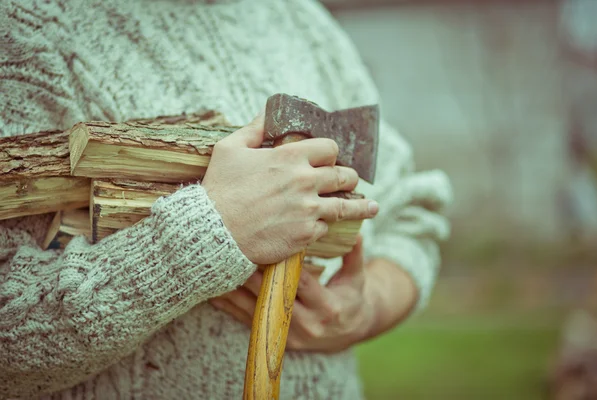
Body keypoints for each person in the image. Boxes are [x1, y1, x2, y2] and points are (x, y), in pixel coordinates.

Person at [0, 0, 452, 398]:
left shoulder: (301, 19)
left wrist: (367, 309)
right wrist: (210, 231)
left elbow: (411, 215)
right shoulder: (24, 26)